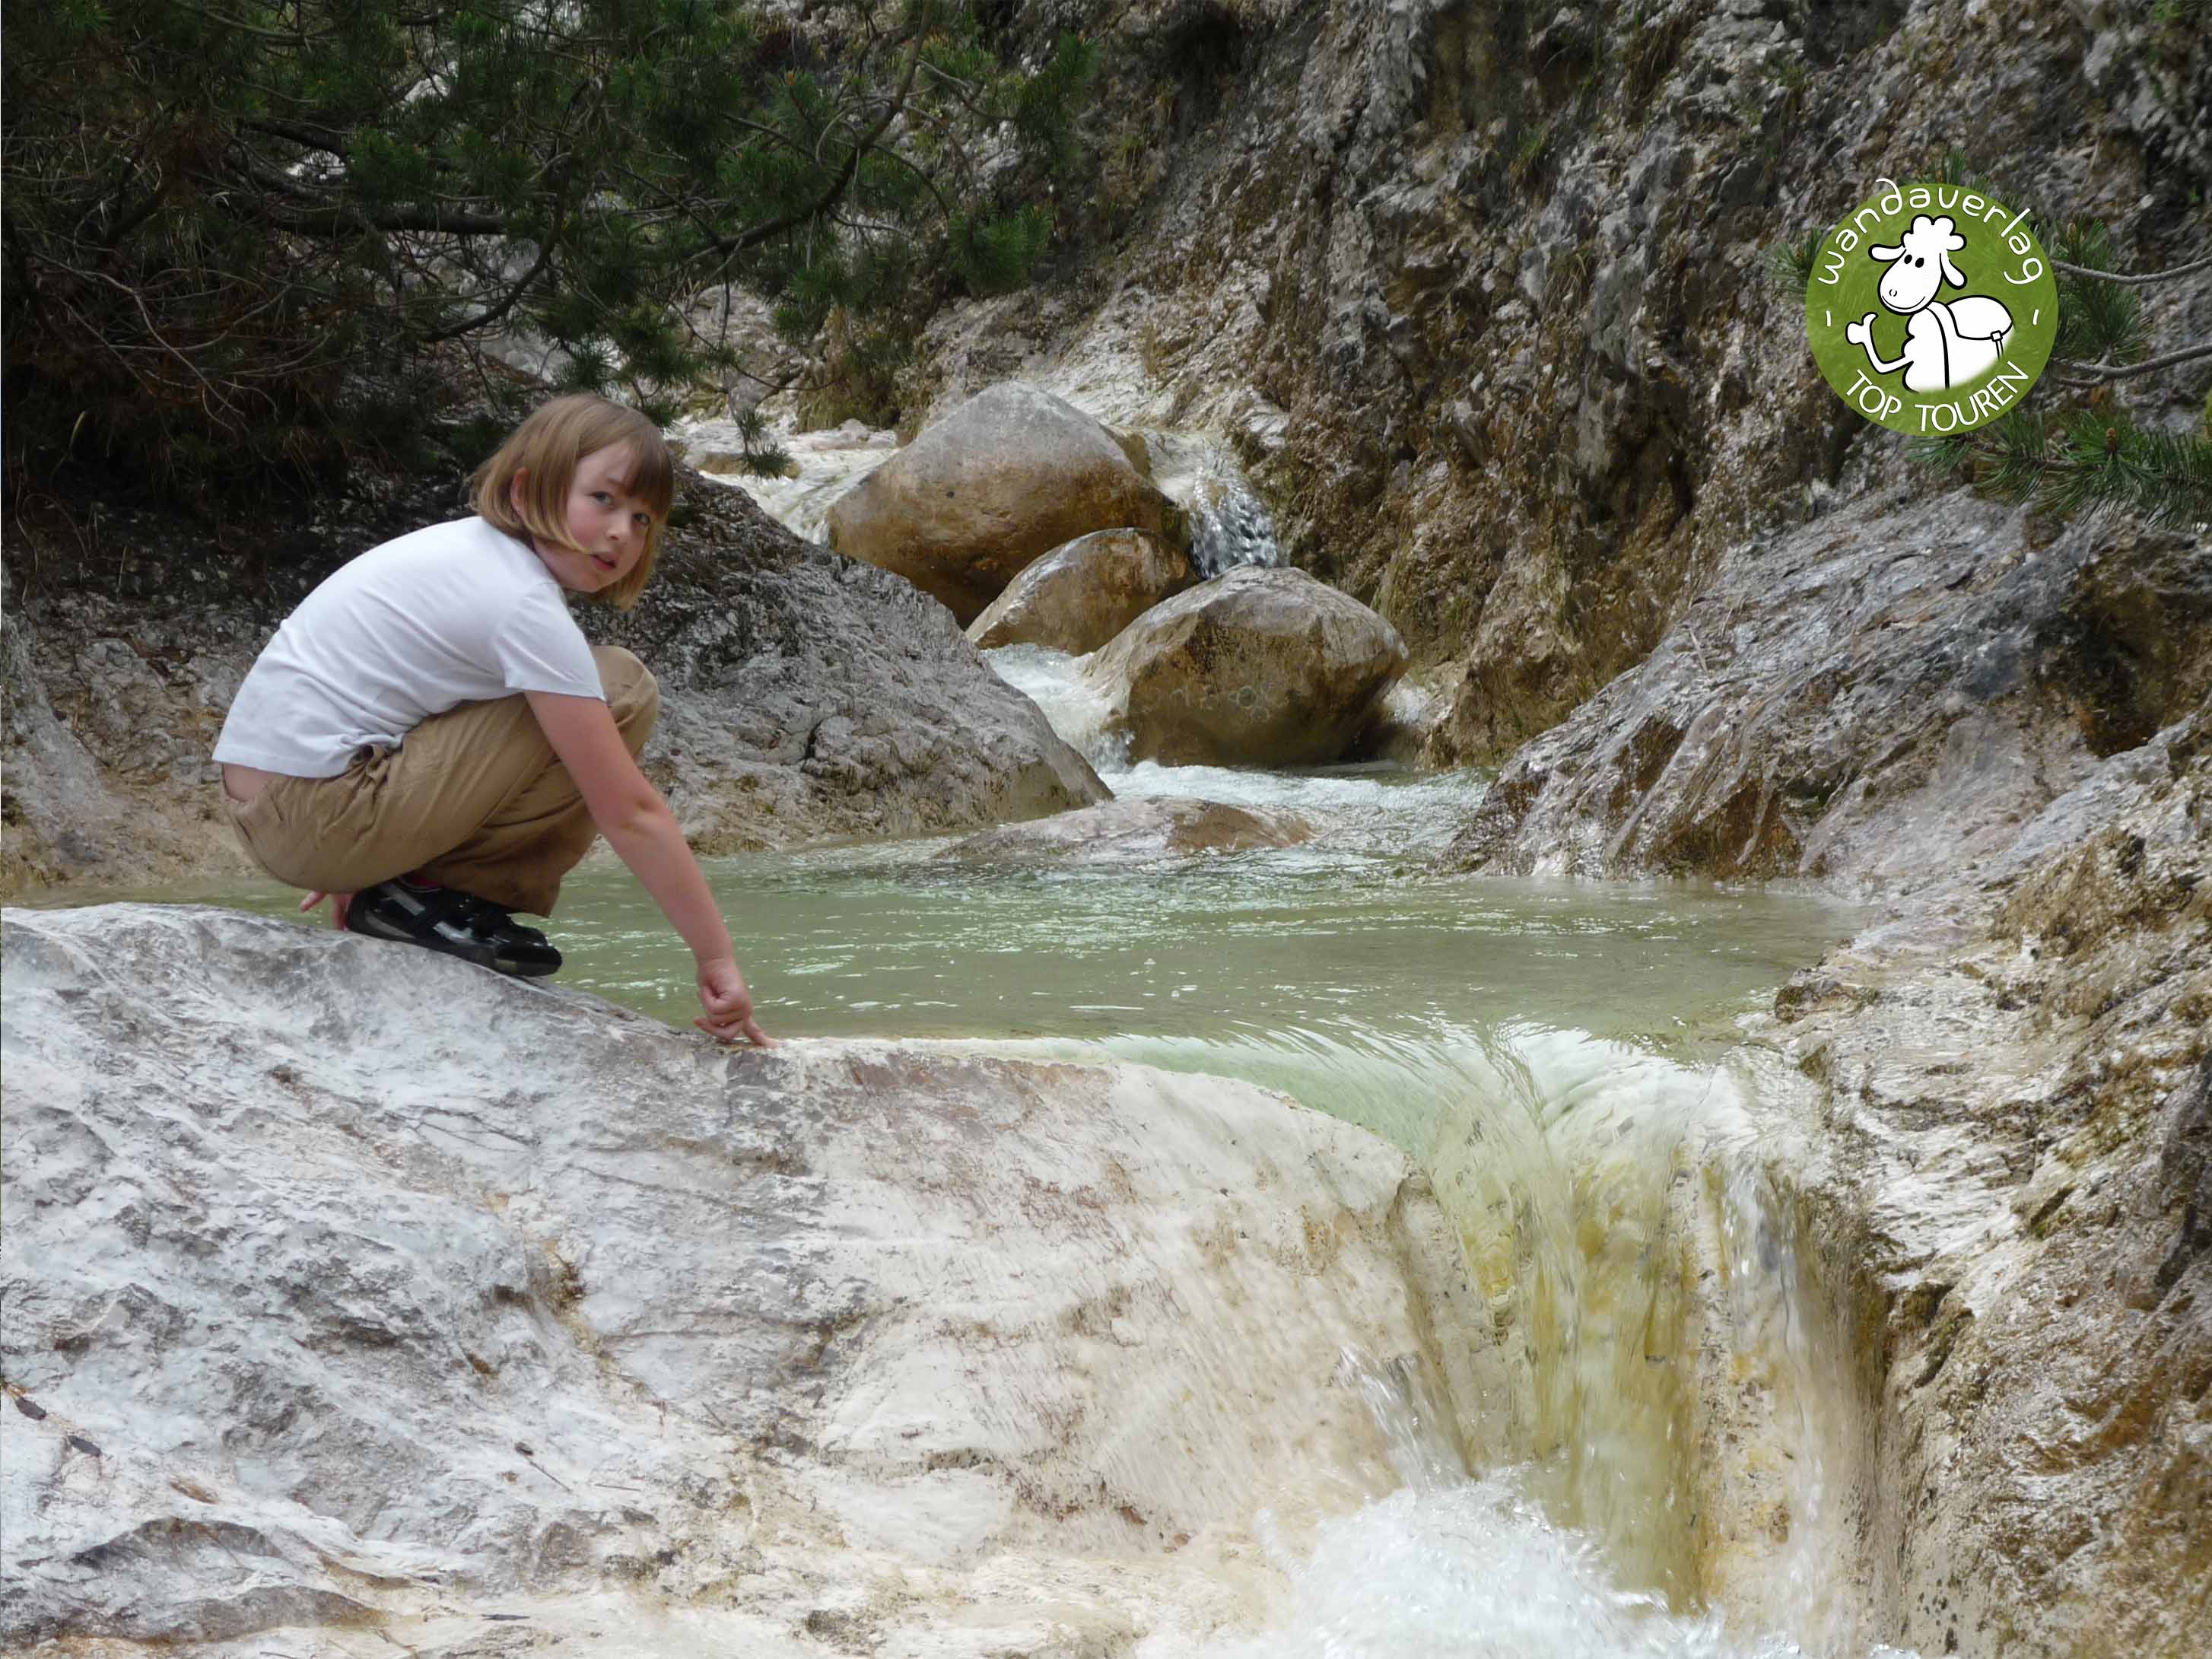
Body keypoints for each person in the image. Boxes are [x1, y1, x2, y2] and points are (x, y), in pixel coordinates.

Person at [214, 394, 771, 1045]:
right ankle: (425, 896)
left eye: (643, 517)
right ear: (526, 490)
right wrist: (716, 957)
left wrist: (350, 856)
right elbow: (629, 810)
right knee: (621, 689)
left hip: (284, 804)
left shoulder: (468, 556)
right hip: (313, 810)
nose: (623, 531)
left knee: (575, 691)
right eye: (604, 499)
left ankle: (402, 892)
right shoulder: (520, 601)